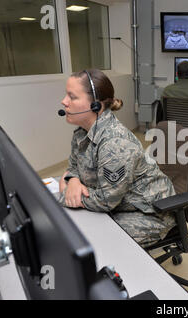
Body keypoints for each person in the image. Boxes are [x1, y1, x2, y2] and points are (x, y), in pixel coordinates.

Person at [58, 69, 176, 248]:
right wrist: (73, 180)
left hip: (149, 212)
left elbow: (106, 201)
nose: (64, 101)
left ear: (96, 105)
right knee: (76, 229)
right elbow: (73, 165)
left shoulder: (115, 143)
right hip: (119, 205)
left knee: (91, 243)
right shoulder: (82, 131)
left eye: (72, 97)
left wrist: (66, 195)